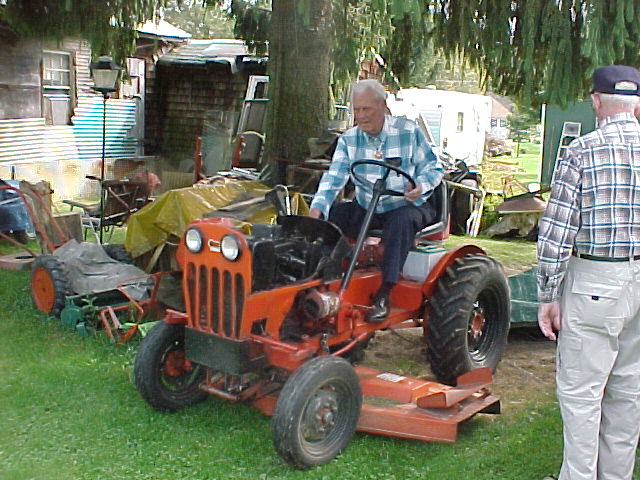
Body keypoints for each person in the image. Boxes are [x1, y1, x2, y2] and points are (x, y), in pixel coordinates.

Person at [537, 65, 640, 480]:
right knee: (628, 393)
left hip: (596, 280)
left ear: (596, 101)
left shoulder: (582, 151)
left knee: (582, 394)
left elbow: (557, 231)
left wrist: (547, 294)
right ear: (637, 105)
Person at [309, 79, 443, 322]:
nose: (360, 116)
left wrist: (420, 186)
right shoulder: (349, 140)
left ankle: (384, 292)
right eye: (357, 109)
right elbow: (334, 178)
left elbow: (434, 168)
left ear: (382, 105)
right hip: (367, 204)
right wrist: (318, 208)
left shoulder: (408, 131)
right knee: (335, 215)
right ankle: (325, 278)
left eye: (366, 109)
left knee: (401, 222)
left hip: (407, 204)